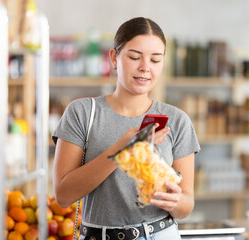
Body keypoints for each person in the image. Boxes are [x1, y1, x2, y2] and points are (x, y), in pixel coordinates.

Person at [52, 17, 200, 240]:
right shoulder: (82, 113)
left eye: (155, 60)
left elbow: (187, 205)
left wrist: (177, 202)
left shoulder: (177, 120)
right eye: (134, 57)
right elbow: (63, 196)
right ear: (114, 57)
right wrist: (121, 150)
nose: (145, 68)